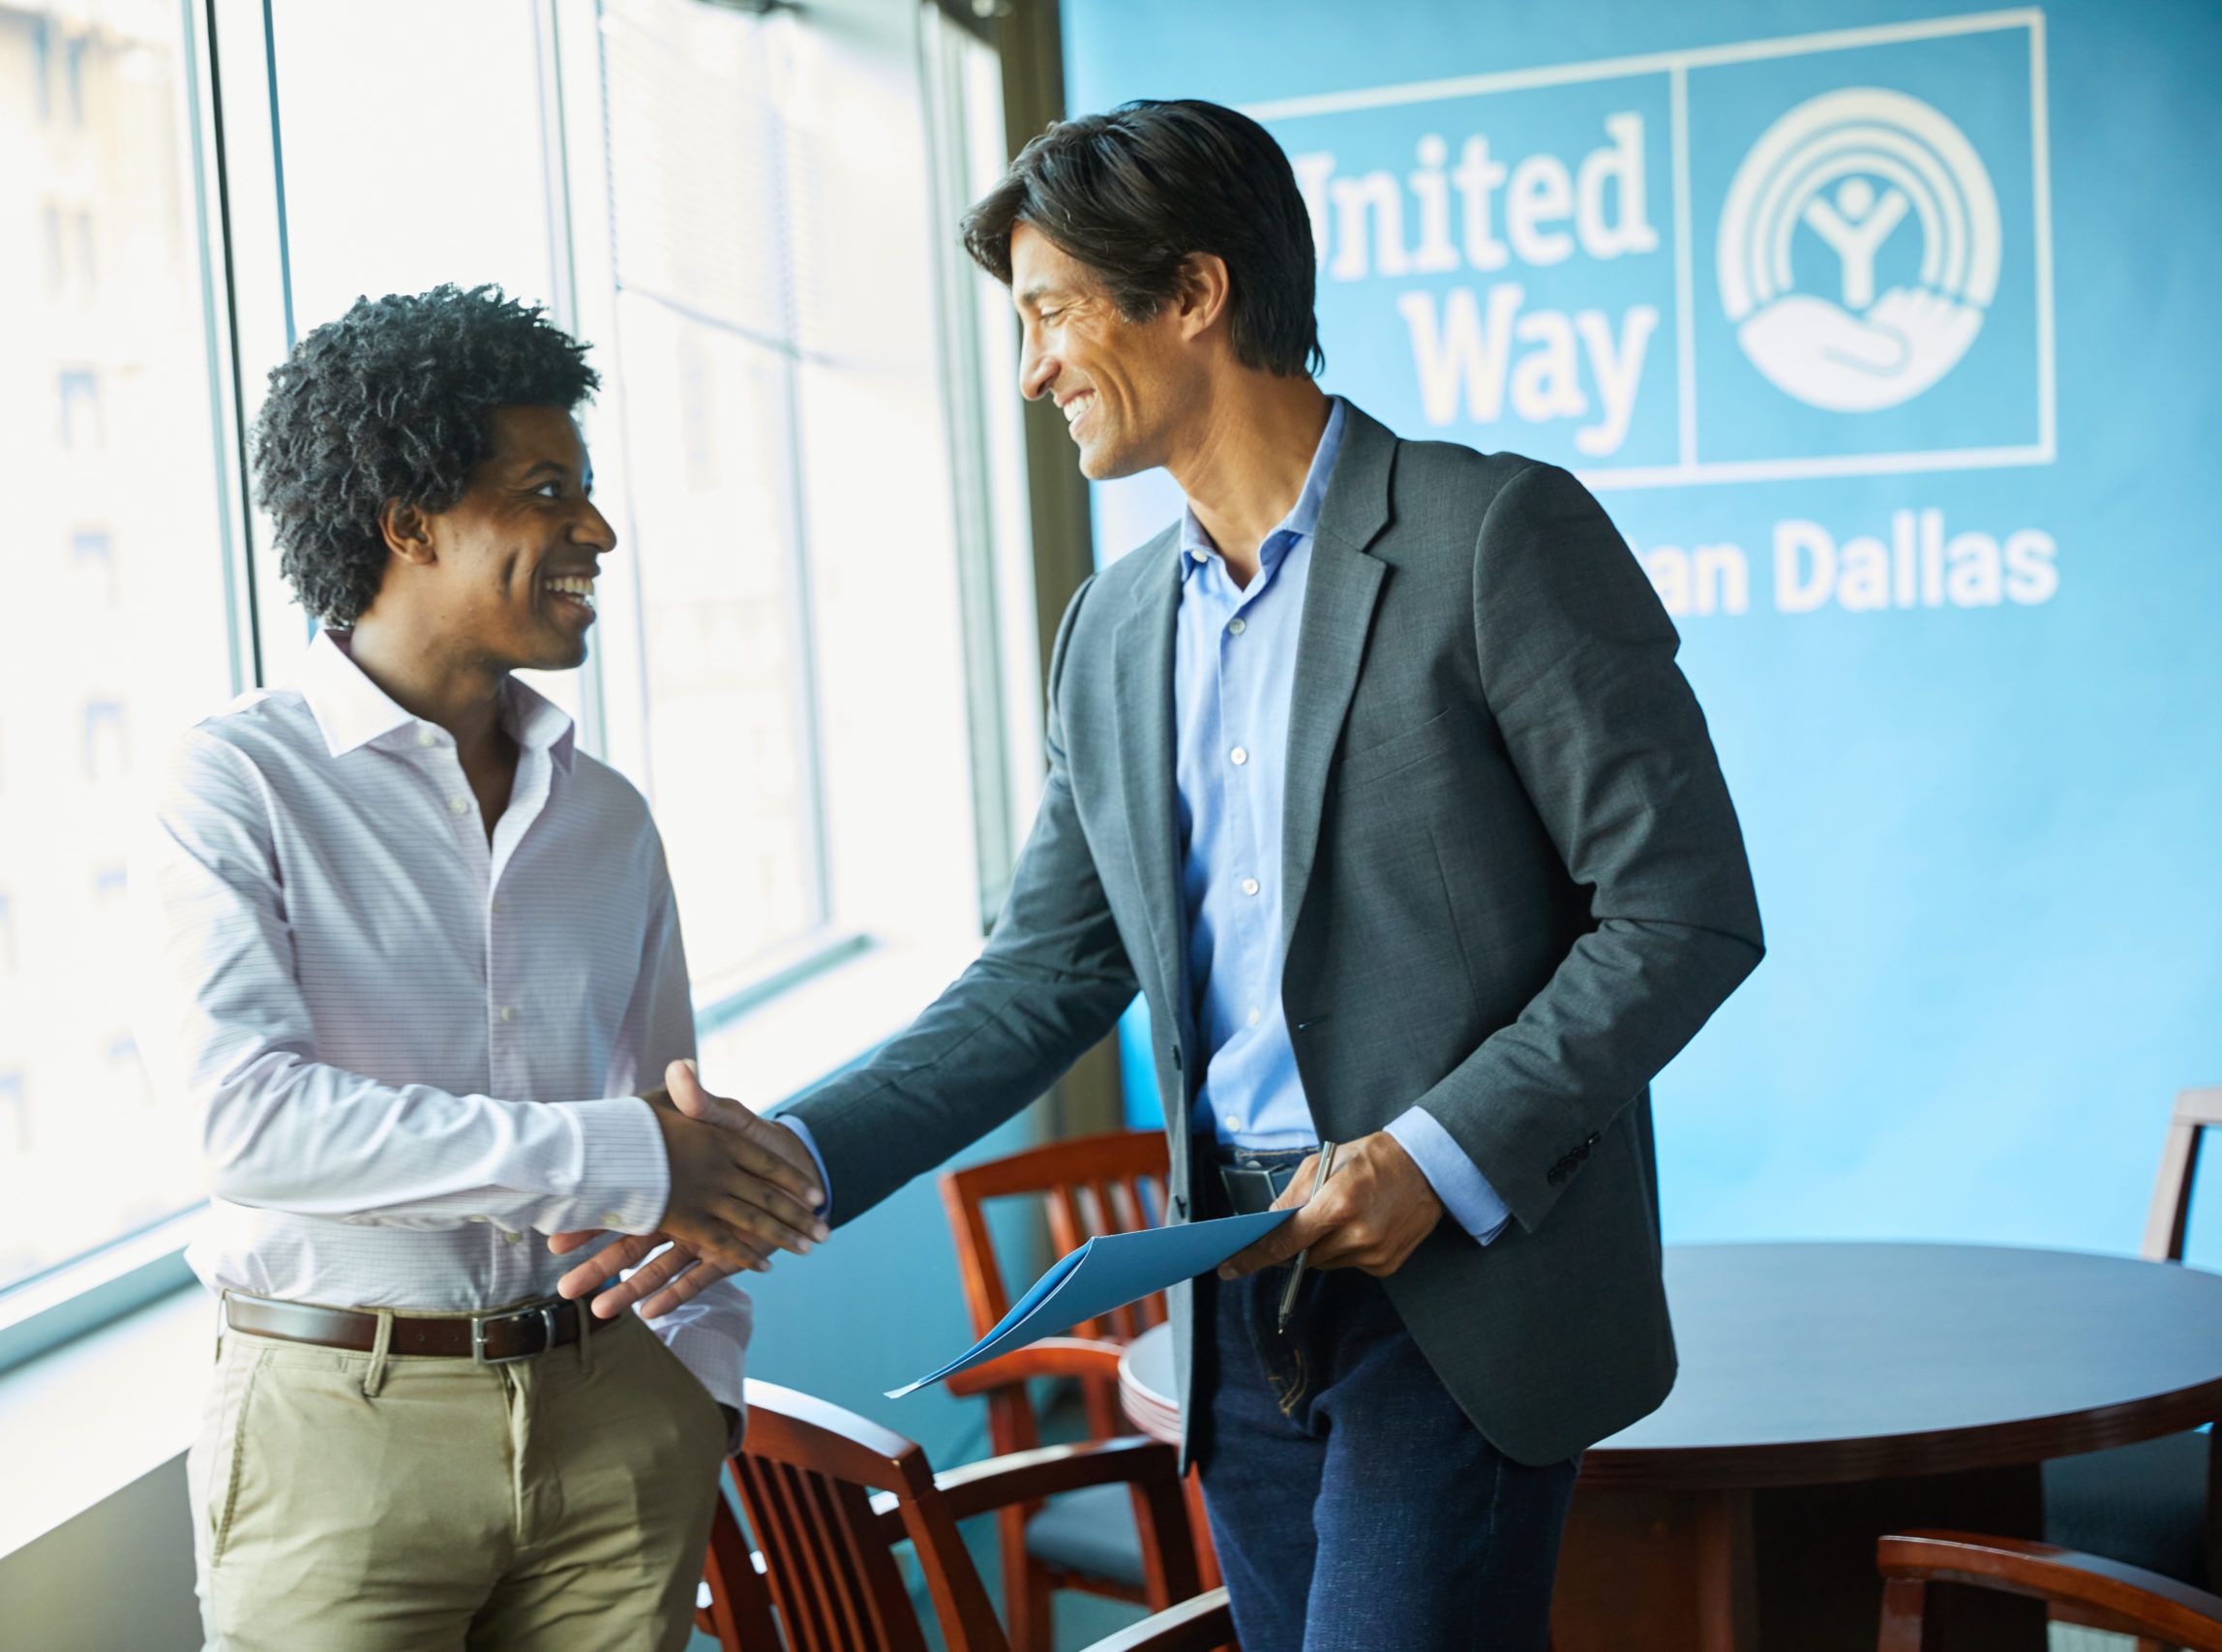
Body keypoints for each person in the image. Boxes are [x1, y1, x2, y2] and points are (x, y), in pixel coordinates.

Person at [559, 100, 1763, 1651]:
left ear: (1194, 293)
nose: (1031, 370)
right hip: (1233, 1307)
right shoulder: (1112, 630)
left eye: (1054, 313)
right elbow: (1041, 978)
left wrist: (1434, 1154)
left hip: (1458, 1291)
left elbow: (1681, 910)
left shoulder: (1493, 538)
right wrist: (781, 1159)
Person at [138, 284, 827, 1652]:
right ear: (409, 524)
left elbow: (675, 1118)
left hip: (616, 1421)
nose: (598, 530)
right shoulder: (237, 784)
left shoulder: (608, 816)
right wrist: (626, 1161)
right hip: (343, 1432)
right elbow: (247, 1123)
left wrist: (700, 1385)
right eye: (548, 491)